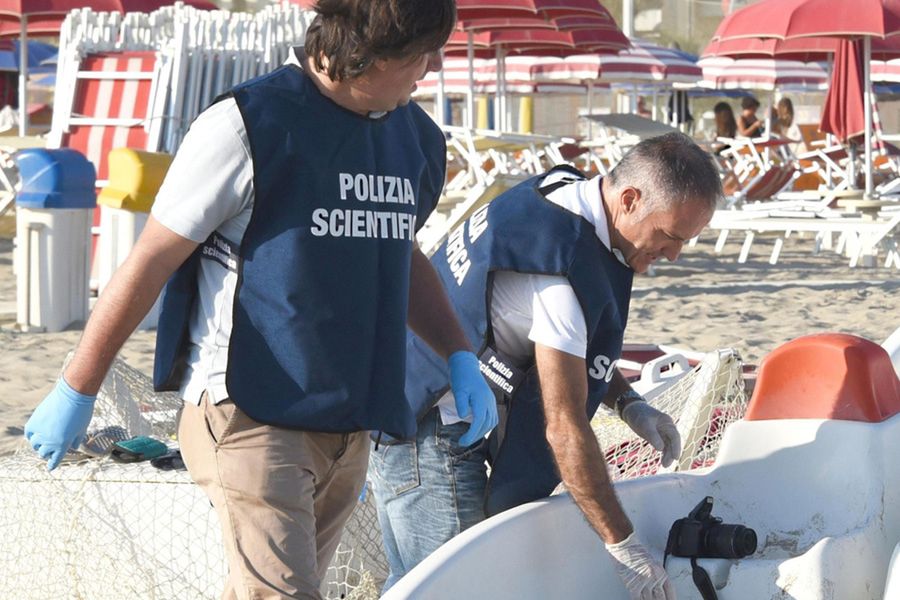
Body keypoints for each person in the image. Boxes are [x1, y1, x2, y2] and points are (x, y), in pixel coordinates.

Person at [23, 1, 498, 598]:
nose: (430, 69)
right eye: (419, 55)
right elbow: (151, 259)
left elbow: (398, 251)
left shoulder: (416, 139)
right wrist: (78, 388)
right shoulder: (249, 123)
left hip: (351, 421)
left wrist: (457, 353)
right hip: (250, 411)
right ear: (365, 54)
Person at [369, 132, 722, 599]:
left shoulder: (562, 188)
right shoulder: (558, 281)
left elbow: (563, 349)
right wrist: (624, 546)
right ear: (631, 199)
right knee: (455, 590)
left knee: (411, 586)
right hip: (430, 431)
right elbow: (564, 429)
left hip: (401, 395)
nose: (673, 255)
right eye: (670, 236)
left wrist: (629, 402)